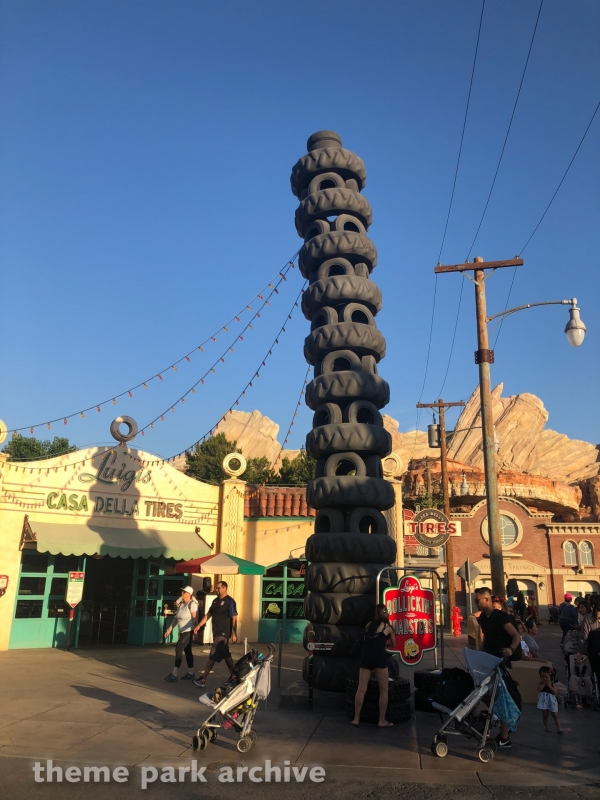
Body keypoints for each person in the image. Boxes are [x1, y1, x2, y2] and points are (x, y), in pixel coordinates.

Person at [475, 587, 521, 749]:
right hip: (489, 661)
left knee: (501, 698)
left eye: (477, 599)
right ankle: (499, 723)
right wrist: (479, 655)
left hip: (501, 662)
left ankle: (505, 735)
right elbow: (484, 639)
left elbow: (516, 635)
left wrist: (511, 649)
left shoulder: (501, 617)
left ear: (486, 600)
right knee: (485, 694)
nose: (475, 602)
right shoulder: (483, 619)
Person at [352, 604, 396, 727]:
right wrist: (385, 645)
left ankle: (356, 719)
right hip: (379, 658)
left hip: (366, 657)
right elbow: (393, 643)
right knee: (383, 689)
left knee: (361, 688)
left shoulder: (368, 626)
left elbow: (367, 641)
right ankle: (381, 720)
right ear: (385, 613)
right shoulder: (388, 627)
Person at [193, 580, 238, 688]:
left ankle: (203, 678)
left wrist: (233, 632)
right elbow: (208, 614)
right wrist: (199, 625)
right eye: (216, 588)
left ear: (224, 588)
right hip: (216, 632)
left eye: (218, 588)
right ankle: (234, 676)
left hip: (223, 633)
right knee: (226, 655)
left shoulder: (230, 601)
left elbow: (234, 617)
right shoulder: (215, 601)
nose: (216, 590)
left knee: (213, 655)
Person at [163, 586, 198, 682]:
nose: (182, 593)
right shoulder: (181, 605)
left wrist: (195, 631)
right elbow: (176, 618)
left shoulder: (192, 604)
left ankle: (174, 674)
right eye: (182, 591)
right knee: (187, 651)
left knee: (178, 649)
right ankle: (191, 673)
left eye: (184, 592)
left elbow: (195, 619)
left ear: (189, 594)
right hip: (182, 631)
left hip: (189, 631)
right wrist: (169, 629)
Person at [577, 603, 600, 688]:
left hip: (594, 651)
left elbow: (584, 637)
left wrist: (580, 653)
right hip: (595, 650)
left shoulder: (587, 618)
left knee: (596, 673)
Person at [537, 665, 562, 734]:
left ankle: (558, 727)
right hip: (543, 700)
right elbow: (539, 689)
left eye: (546, 677)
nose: (545, 679)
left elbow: (555, 692)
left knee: (555, 714)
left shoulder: (552, 684)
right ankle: (546, 726)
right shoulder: (540, 683)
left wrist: (549, 686)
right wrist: (543, 684)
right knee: (545, 714)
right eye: (543, 677)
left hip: (551, 700)